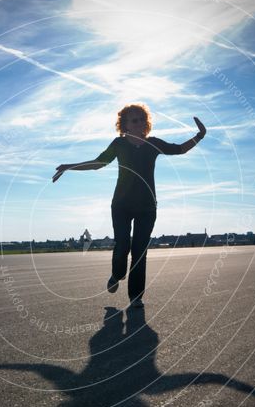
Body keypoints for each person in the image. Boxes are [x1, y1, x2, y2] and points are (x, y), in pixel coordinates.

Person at [52, 103, 206, 308]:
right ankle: (116, 275)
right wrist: (68, 166)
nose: (140, 123)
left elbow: (179, 149)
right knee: (122, 245)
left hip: (147, 208)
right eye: (135, 120)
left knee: (139, 252)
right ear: (124, 125)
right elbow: (98, 163)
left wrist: (200, 135)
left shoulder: (153, 144)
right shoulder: (119, 144)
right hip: (121, 205)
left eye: (142, 119)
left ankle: (136, 297)